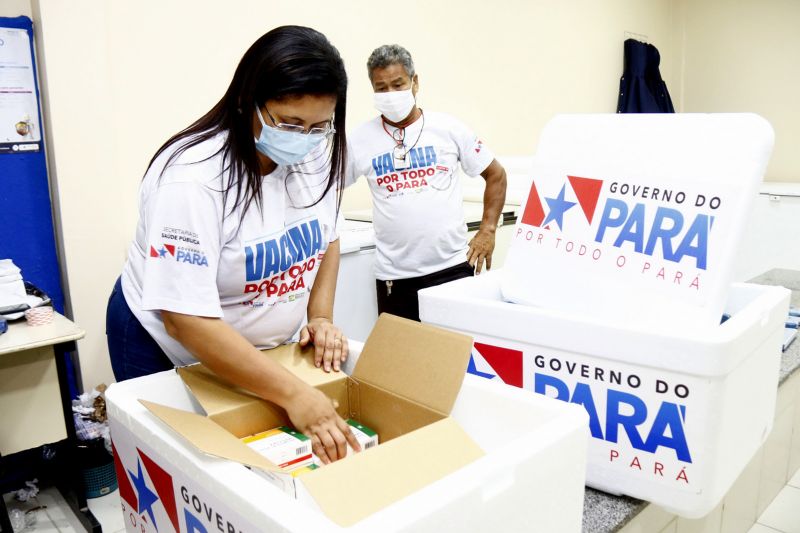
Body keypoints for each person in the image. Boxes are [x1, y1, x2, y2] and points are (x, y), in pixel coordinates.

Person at [106, 26, 360, 464]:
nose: (305, 139)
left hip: (253, 347)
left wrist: (319, 316)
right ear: (248, 100)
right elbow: (185, 320)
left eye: (320, 125)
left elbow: (330, 236)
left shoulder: (320, 151)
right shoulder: (192, 179)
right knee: (183, 468)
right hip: (165, 343)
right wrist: (294, 393)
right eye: (290, 123)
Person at [346, 44, 507, 322]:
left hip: (453, 269)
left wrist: (488, 230)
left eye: (398, 84)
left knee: (457, 358)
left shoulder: (448, 129)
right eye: (381, 88)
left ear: (415, 82)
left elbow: (496, 174)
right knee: (403, 360)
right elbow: (326, 189)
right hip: (395, 278)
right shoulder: (359, 139)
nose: (390, 94)